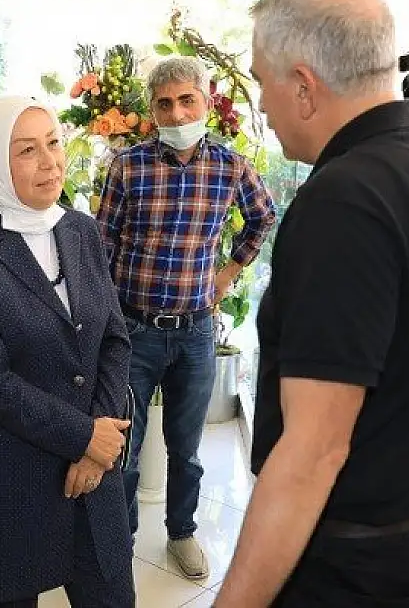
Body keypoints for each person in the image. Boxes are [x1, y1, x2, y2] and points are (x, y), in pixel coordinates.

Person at [215, 0, 409, 606]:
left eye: (262, 81)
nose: (261, 103)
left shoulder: (347, 201)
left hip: (358, 571)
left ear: (302, 83)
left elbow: (314, 451)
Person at [0, 96, 136, 608]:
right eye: (27, 151)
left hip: (91, 471)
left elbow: (112, 336)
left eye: (53, 143)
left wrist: (101, 436)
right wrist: (83, 436)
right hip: (6, 475)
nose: (50, 163)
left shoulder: (80, 229)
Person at [96, 56, 276, 579]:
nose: (176, 113)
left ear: (206, 100)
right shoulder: (127, 165)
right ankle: (120, 539)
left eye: (186, 100)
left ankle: (181, 532)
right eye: (164, 104)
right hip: (133, 329)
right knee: (124, 447)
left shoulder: (230, 166)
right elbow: (102, 243)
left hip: (196, 333)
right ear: (152, 111)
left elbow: (263, 217)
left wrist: (229, 272)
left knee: (188, 449)